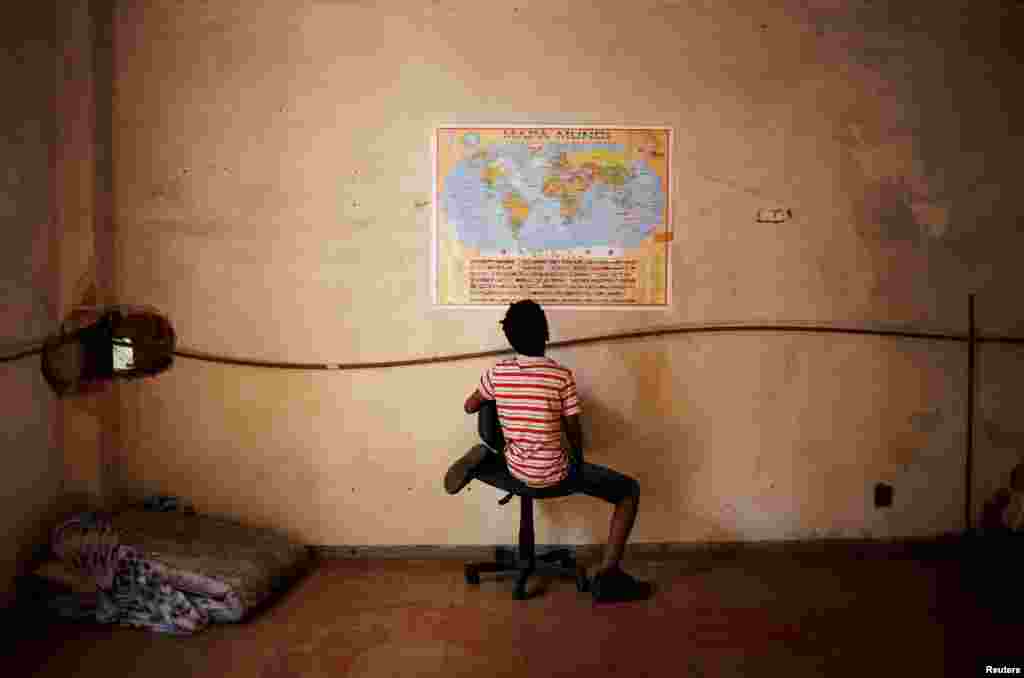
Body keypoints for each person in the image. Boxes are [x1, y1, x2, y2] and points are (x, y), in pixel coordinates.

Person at [445, 299, 652, 603]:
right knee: (628, 491)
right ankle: (609, 575)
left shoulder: (497, 373)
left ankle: (483, 459)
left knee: (505, 457)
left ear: (509, 338)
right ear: (546, 333)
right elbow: (574, 431)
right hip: (557, 473)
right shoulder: (560, 376)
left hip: (514, 470)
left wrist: (498, 398)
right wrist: (578, 459)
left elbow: (469, 406)